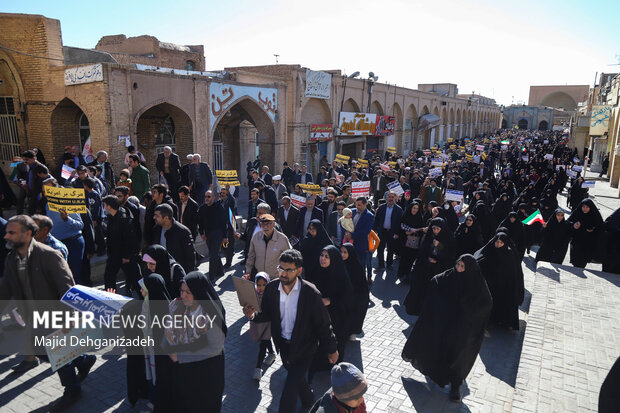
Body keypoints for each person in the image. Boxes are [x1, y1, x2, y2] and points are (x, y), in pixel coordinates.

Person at [1, 215, 97, 411]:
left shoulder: (49, 255)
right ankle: (83, 359)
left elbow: (68, 288)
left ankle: (72, 389)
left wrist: (70, 317)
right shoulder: (12, 259)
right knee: (40, 351)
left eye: (12, 232)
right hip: (32, 316)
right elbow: (6, 288)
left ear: (28, 233)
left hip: (54, 316)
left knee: (55, 352)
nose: (6, 236)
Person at [243, 249, 338, 412]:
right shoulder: (272, 289)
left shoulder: (310, 293)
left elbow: (324, 324)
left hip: (305, 347)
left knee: (289, 390)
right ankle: (309, 399)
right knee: (296, 378)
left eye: (288, 270)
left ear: (299, 271)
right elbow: (265, 313)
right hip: (284, 346)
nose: (283, 273)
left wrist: (332, 349)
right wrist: (252, 315)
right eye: (281, 268)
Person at [402, 255, 492, 402]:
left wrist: (468, 313)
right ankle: (443, 378)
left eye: (463, 267)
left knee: (459, 358)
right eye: (458, 265)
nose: (459, 269)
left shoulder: (477, 284)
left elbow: (486, 303)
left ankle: (455, 387)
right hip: (447, 327)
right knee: (443, 354)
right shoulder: (450, 276)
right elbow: (437, 281)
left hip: (463, 331)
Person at [164, 271, 226, 412]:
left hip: (206, 374)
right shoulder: (177, 305)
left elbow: (214, 348)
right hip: (184, 372)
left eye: (188, 292)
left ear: (199, 292)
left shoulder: (209, 314)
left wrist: (180, 356)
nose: (183, 295)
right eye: (182, 291)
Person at [307, 246, 353, 378]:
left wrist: (330, 300)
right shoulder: (317, 271)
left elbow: (347, 297)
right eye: (322, 255)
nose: (323, 259)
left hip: (338, 316)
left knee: (334, 341)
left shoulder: (341, 275)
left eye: (327, 257)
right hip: (320, 314)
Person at [404, 217, 455, 316]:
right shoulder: (429, 237)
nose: (435, 231)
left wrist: (439, 246)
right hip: (426, 269)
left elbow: (450, 256)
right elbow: (422, 252)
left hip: (439, 270)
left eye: (438, 229)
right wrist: (428, 259)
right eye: (434, 228)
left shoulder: (448, 238)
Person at [474, 233, 521, 330]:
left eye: (501, 242)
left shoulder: (509, 254)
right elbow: (480, 259)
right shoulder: (489, 250)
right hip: (490, 283)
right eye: (497, 242)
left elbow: (512, 274)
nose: (498, 244)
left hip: (503, 285)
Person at [102, 195, 141, 293]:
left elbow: (130, 239)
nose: (104, 208)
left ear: (109, 207)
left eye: (105, 205)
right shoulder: (111, 217)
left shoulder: (124, 218)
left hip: (125, 256)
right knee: (109, 278)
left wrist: (127, 256)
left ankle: (146, 300)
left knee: (136, 280)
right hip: (114, 255)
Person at [244, 213, 291, 281]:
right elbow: (251, 256)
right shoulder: (256, 237)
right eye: (263, 224)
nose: (266, 227)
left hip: (275, 278)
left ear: (273, 224)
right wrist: (248, 271)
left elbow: (289, 259)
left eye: (268, 224)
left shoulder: (282, 238)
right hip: (260, 278)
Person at [152, 203, 196, 274]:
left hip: (178, 273)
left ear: (166, 218)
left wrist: (187, 277)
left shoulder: (183, 232)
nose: (154, 217)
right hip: (162, 271)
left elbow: (190, 257)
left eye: (157, 216)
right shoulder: (156, 229)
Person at [249, 272, 276, 381]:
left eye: (264, 284)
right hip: (258, 322)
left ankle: (258, 368)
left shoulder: (271, 294)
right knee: (264, 339)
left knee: (263, 343)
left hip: (268, 322)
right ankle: (272, 353)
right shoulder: (254, 294)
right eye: (259, 285)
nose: (261, 288)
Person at [197, 190, 229, 281]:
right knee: (214, 253)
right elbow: (200, 222)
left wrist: (225, 236)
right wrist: (201, 233)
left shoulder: (219, 208)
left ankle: (211, 277)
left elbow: (224, 223)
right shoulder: (202, 208)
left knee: (213, 255)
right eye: (205, 196)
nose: (206, 198)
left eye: (209, 197)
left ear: (213, 198)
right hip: (208, 234)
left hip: (218, 234)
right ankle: (220, 271)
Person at [341, 243, 369, 340]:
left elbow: (361, 285)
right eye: (341, 252)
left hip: (357, 297)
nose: (342, 254)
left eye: (345, 252)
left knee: (355, 316)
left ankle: (353, 332)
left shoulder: (356, 266)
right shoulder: (340, 264)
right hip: (345, 297)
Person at [567, 198, 604, 268]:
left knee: (582, 262)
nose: (585, 209)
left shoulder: (595, 215)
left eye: (587, 207)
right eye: (583, 207)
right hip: (576, 240)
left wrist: (593, 229)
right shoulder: (577, 213)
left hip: (587, 243)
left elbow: (600, 227)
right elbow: (568, 222)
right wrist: (573, 225)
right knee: (575, 259)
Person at [373, 191, 403, 269]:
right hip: (382, 231)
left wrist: (397, 233)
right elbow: (377, 219)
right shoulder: (381, 207)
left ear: (395, 198)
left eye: (392, 197)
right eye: (389, 197)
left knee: (390, 249)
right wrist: (375, 229)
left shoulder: (399, 209)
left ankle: (389, 264)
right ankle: (381, 265)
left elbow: (400, 223)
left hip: (392, 232)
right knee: (380, 249)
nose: (390, 199)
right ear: (386, 198)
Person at [397, 200, 425, 281]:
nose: (415, 210)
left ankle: (407, 275)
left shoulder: (420, 218)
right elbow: (401, 228)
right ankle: (401, 273)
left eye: (417, 208)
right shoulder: (405, 216)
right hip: (405, 242)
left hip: (415, 244)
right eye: (413, 208)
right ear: (410, 208)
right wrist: (406, 232)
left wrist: (415, 231)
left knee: (411, 260)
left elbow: (421, 230)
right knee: (404, 259)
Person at [351, 197, 375, 282]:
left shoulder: (369, 216)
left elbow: (366, 231)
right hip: (351, 243)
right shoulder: (352, 212)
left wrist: (352, 235)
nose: (357, 206)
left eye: (359, 205)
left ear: (365, 205)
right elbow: (345, 222)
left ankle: (367, 278)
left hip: (363, 244)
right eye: (356, 204)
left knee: (365, 263)